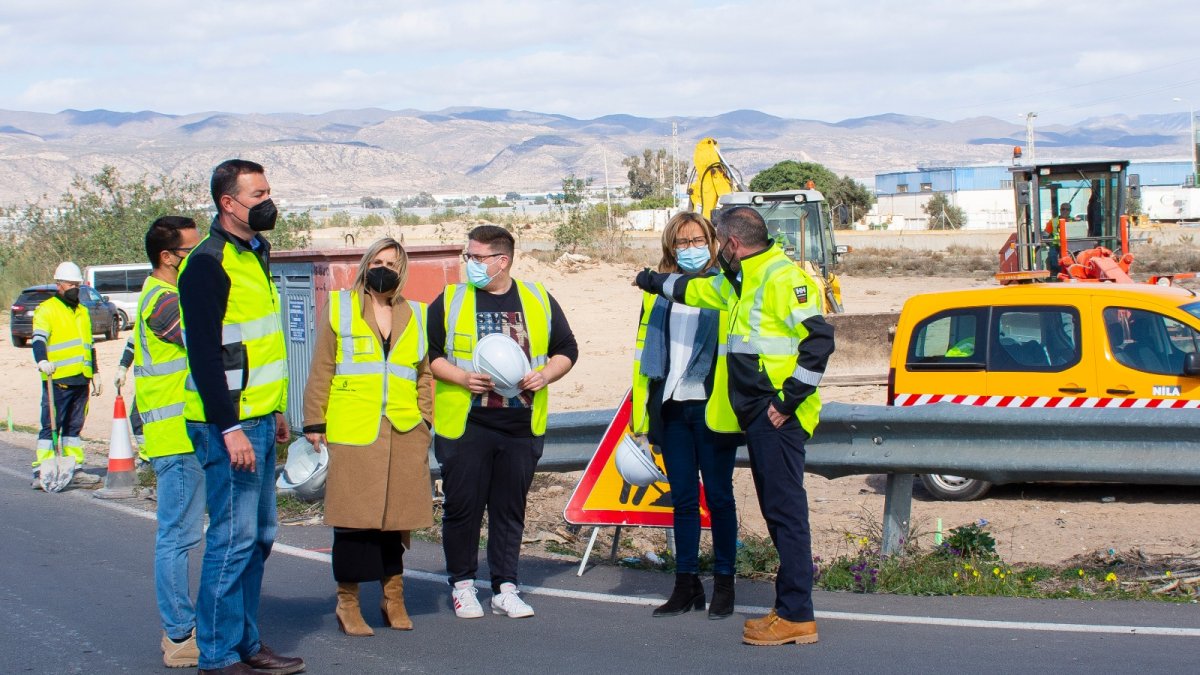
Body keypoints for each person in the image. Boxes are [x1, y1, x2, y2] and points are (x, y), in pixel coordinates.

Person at [635, 206, 835, 646]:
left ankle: (797, 615)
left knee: (786, 516)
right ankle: (787, 610)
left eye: (712, 243)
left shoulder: (783, 278)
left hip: (777, 415)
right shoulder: (741, 280)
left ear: (729, 244)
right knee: (778, 514)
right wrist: (650, 280)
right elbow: (694, 292)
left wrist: (788, 400)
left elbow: (820, 341)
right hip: (760, 416)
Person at [178, 159, 303, 675]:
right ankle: (217, 655)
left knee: (259, 537)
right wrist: (229, 427)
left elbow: (257, 345)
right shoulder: (208, 263)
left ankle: (246, 643)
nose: (268, 201)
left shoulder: (254, 252)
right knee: (232, 541)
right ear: (228, 203)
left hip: (258, 419)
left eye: (269, 190)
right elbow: (205, 354)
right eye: (257, 194)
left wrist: (274, 409)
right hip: (226, 426)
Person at [427, 225, 578, 619]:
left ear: (502, 260)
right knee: (463, 507)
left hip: (520, 426)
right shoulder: (451, 299)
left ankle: (505, 588)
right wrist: (461, 378)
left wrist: (546, 375)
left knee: (510, 509)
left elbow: (567, 349)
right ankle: (462, 585)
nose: (470, 264)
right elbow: (430, 354)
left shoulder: (537, 298)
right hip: (467, 423)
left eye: (477, 258)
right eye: (468, 256)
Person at [301, 238, 434, 636]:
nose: (384, 268)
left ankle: (393, 597)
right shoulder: (341, 307)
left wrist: (425, 420)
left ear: (402, 268)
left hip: (404, 432)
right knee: (354, 522)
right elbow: (322, 366)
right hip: (354, 431)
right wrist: (314, 422)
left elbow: (423, 374)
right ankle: (349, 602)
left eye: (391, 262)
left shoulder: (418, 315)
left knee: (396, 523)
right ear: (365, 264)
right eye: (377, 261)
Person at [630, 212, 741, 619]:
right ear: (670, 247)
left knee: (720, 497)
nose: (690, 249)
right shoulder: (656, 293)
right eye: (682, 243)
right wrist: (643, 416)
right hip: (671, 404)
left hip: (713, 408)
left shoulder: (724, 287)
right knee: (682, 500)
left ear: (712, 242)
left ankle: (725, 584)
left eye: (698, 241)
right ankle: (686, 584)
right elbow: (644, 356)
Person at [121, 216, 204, 668]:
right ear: (168, 257)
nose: (199, 258)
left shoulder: (167, 296)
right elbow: (204, 343)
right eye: (192, 252)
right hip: (176, 438)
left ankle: (190, 627)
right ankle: (177, 635)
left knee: (187, 534)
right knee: (178, 536)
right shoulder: (163, 302)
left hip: (189, 434)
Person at [32, 261, 100, 484]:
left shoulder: (82, 311)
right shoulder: (47, 309)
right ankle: (43, 470)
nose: (75, 288)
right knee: (51, 425)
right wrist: (42, 360)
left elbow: (88, 345)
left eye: (77, 284)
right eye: (71, 284)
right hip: (57, 379)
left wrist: (95, 373)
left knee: (73, 427)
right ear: (59, 284)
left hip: (81, 378)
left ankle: (74, 467)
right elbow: (39, 339)